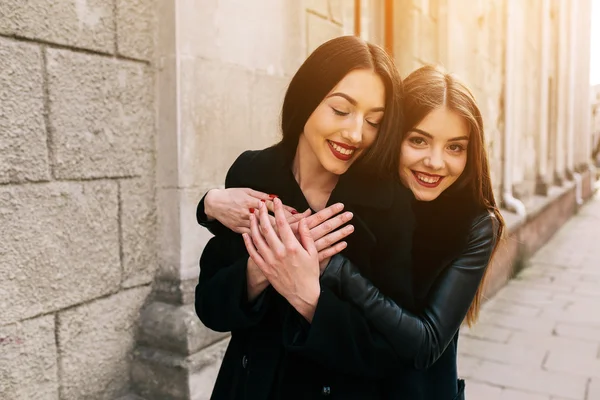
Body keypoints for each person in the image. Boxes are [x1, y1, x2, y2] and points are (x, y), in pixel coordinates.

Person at [198, 64, 505, 399]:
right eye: (418, 140)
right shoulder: (357, 189)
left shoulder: (473, 224)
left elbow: (425, 343)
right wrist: (209, 204)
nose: (435, 162)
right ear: (393, 135)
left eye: (455, 147)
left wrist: (333, 269)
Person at [194, 35, 416, 400]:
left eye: (374, 121)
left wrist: (310, 298)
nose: (356, 133)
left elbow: (393, 349)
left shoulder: (390, 206)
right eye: (341, 110)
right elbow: (210, 307)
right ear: (307, 98)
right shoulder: (252, 171)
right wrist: (260, 269)